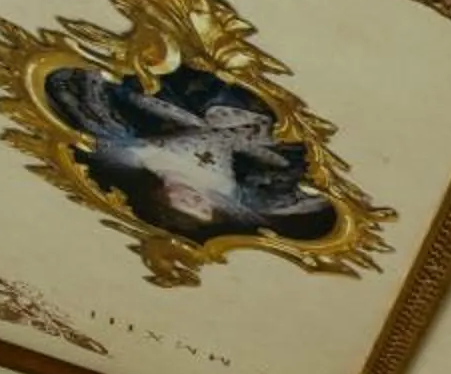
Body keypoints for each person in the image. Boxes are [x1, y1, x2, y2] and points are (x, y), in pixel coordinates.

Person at [45, 65, 333, 244]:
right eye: (204, 209)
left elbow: (100, 130)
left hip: (179, 108)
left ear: (164, 197)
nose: (197, 200)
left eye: (187, 204)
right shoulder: (228, 191)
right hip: (245, 133)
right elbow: (285, 193)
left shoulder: (140, 158)